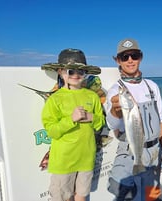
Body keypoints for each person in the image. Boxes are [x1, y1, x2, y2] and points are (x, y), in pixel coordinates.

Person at [105, 38, 162, 201]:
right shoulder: (114, 91)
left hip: (154, 153)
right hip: (129, 151)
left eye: (134, 55)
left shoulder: (152, 86)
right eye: (125, 57)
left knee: (152, 196)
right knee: (125, 194)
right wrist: (115, 111)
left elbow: (160, 120)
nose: (130, 60)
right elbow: (112, 124)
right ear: (118, 61)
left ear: (140, 57)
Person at [41, 48, 105, 201]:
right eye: (71, 71)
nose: (76, 75)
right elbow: (52, 131)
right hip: (63, 161)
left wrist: (92, 117)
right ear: (61, 72)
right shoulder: (54, 99)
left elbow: (100, 123)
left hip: (87, 159)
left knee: (81, 196)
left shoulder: (92, 96)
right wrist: (71, 119)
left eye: (81, 72)